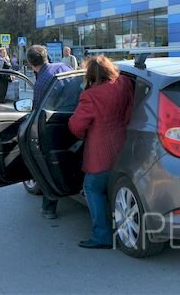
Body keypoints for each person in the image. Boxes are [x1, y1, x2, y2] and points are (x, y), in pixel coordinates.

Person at [67, 55, 133, 249]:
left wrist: (81, 135)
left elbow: (76, 125)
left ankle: (102, 235)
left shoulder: (90, 95)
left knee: (92, 187)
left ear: (90, 75)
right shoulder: (124, 84)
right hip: (123, 145)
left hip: (100, 151)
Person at [26, 44, 72, 219]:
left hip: (56, 125)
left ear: (30, 63)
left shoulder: (42, 81)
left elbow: (38, 112)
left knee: (47, 164)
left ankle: (49, 206)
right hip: (77, 118)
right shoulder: (63, 66)